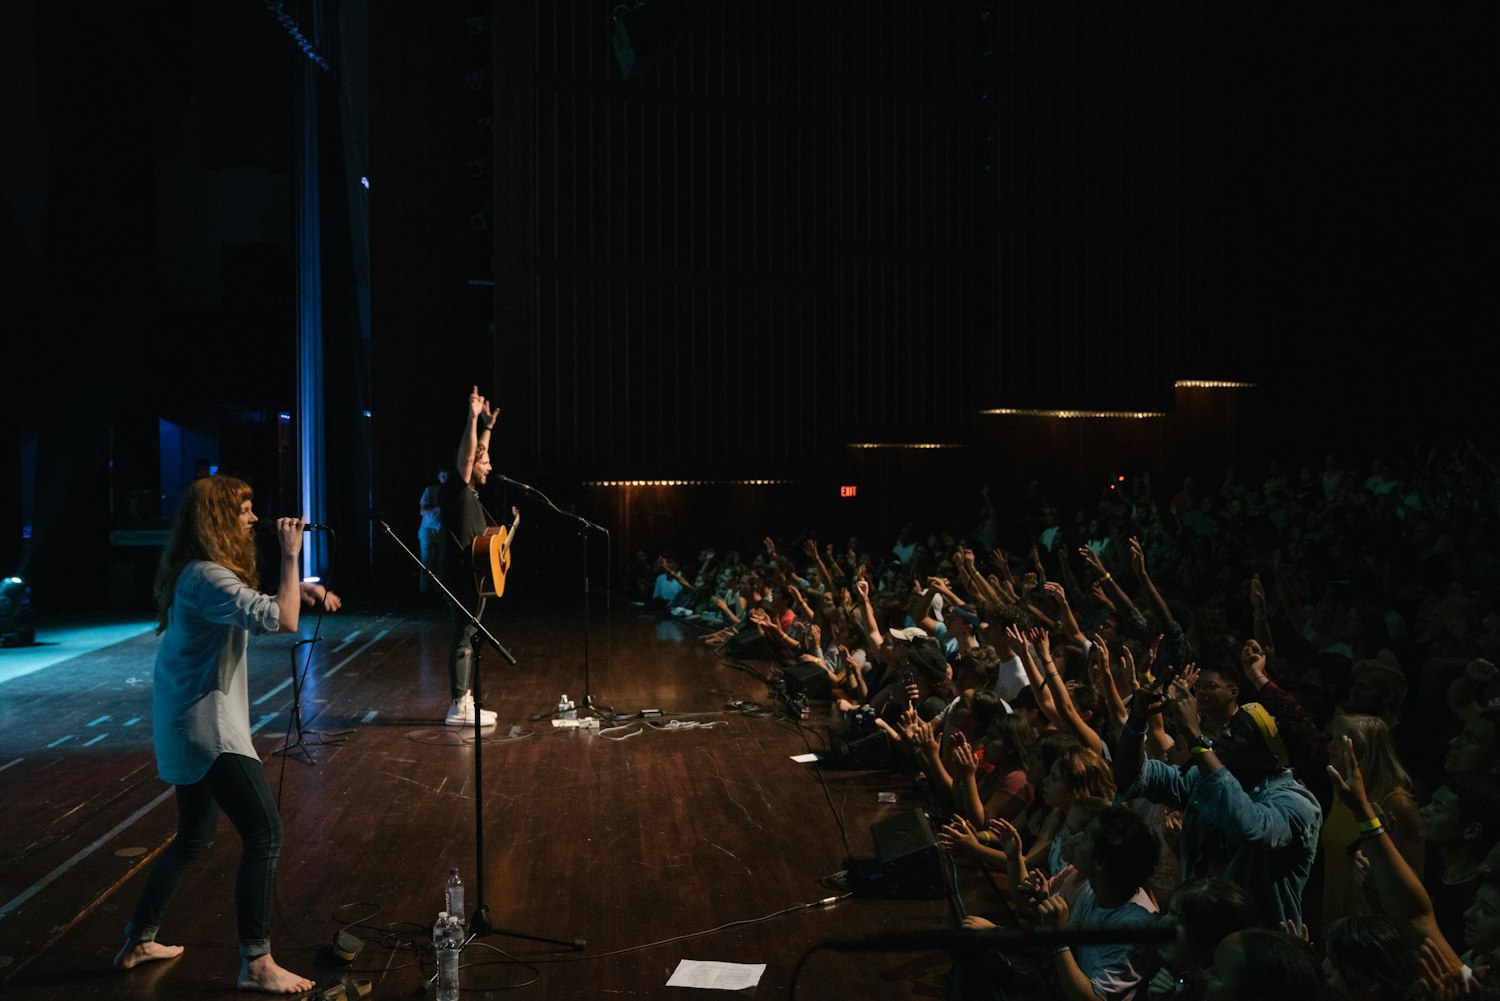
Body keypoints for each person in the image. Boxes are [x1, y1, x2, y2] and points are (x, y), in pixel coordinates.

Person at [112, 475, 340, 993]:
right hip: (207, 729)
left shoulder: (194, 575)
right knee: (266, 834)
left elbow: (260, 605)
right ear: (218, 519)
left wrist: (296, 588)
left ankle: (138, 939)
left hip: (184, 724)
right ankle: (256, 962)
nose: (255, 518)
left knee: (192, 838)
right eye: (244, 509)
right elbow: (282, 622)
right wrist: (291, 558)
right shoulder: (206, 577)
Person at [438, 386, 501, 727]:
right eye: (485, 461)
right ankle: (458, 705)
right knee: (463, 637)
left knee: (470, 635)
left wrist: (488, 428)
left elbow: (477, 453)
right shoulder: (458, 493)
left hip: (474, 578)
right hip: (460, 578)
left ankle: (466, 700)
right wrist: (473, 418)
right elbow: (468, 457)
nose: (489, 465)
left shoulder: (472, 494)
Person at [417, 468, 447, 594]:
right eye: (442, 475)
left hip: (442, 531)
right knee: (427, 561)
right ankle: (424, 591)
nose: (445, 477)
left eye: (447, 475)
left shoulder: (450, 492)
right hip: (428, 530)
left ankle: (438, 592)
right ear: (438, 476)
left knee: (440, 562)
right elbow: (423, 511)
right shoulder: (431, 490)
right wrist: (438, 509)